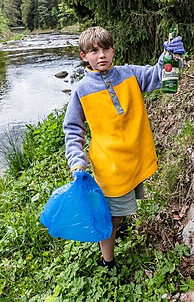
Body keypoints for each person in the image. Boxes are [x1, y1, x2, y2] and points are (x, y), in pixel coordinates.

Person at [63, 26, 185, 269]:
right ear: (83, 56)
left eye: (106, 49)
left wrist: (171, 56)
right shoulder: (81, 90)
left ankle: (115, 235)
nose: (101, 56)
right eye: (94, 51)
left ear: (113, 51)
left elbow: (159, 75)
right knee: (111, 218)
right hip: (110, 166)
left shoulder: (129, 74)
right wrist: (77, 160)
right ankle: (107, 261)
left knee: (119, 211)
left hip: (134, 159)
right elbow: (73, 129)